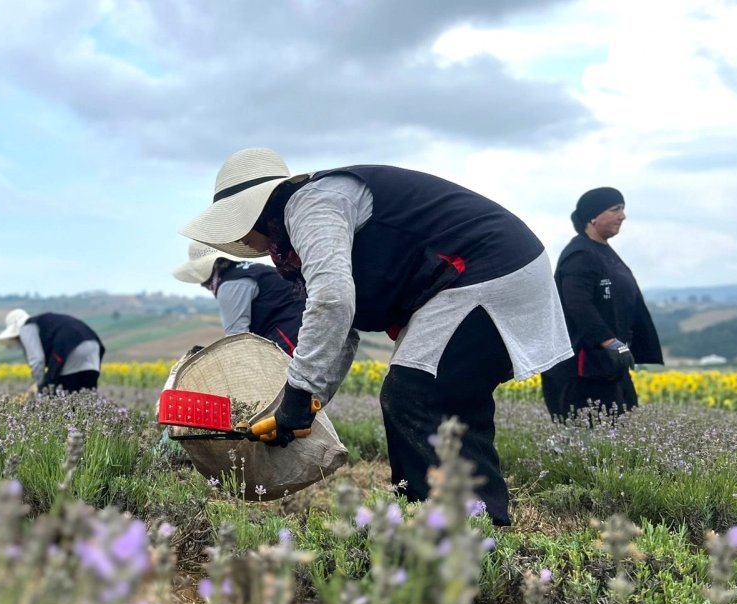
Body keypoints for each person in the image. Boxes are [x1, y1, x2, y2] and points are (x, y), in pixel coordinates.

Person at [180, 148, 573, 526]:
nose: (241, 240)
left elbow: (332, 301)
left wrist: (299, 394)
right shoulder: (302, 224)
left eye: (236, 222)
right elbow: (342, 332)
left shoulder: (312, 205)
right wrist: (305, 404)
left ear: (257, 209)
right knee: (446, 400)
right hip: (489, 270)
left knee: (415, 394)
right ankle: (474, 524)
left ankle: (445, 526)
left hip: (486, 269)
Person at [541, 187, 662, 421]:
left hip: (608, 366)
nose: (622, 216)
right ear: (593, 217)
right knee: (591, 440)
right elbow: (578, 304)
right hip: (582, 371)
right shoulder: (580, 256)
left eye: (623, 209)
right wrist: (608, 341)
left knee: (621, 433)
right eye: (615, 209)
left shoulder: (602, 251)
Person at [173, 240, 305, 354]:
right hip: (305, 325)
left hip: (293, 336)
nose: (202, 285)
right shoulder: (247, 270)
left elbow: (237, 339)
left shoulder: (230, 285)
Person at [0, 309, 105, 393]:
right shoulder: (46, 322)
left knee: (58, 395)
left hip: (68, 348)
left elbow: (37, 360)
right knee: (87, 398)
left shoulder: (26, 327)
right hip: (93, 347)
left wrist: (39, 386)